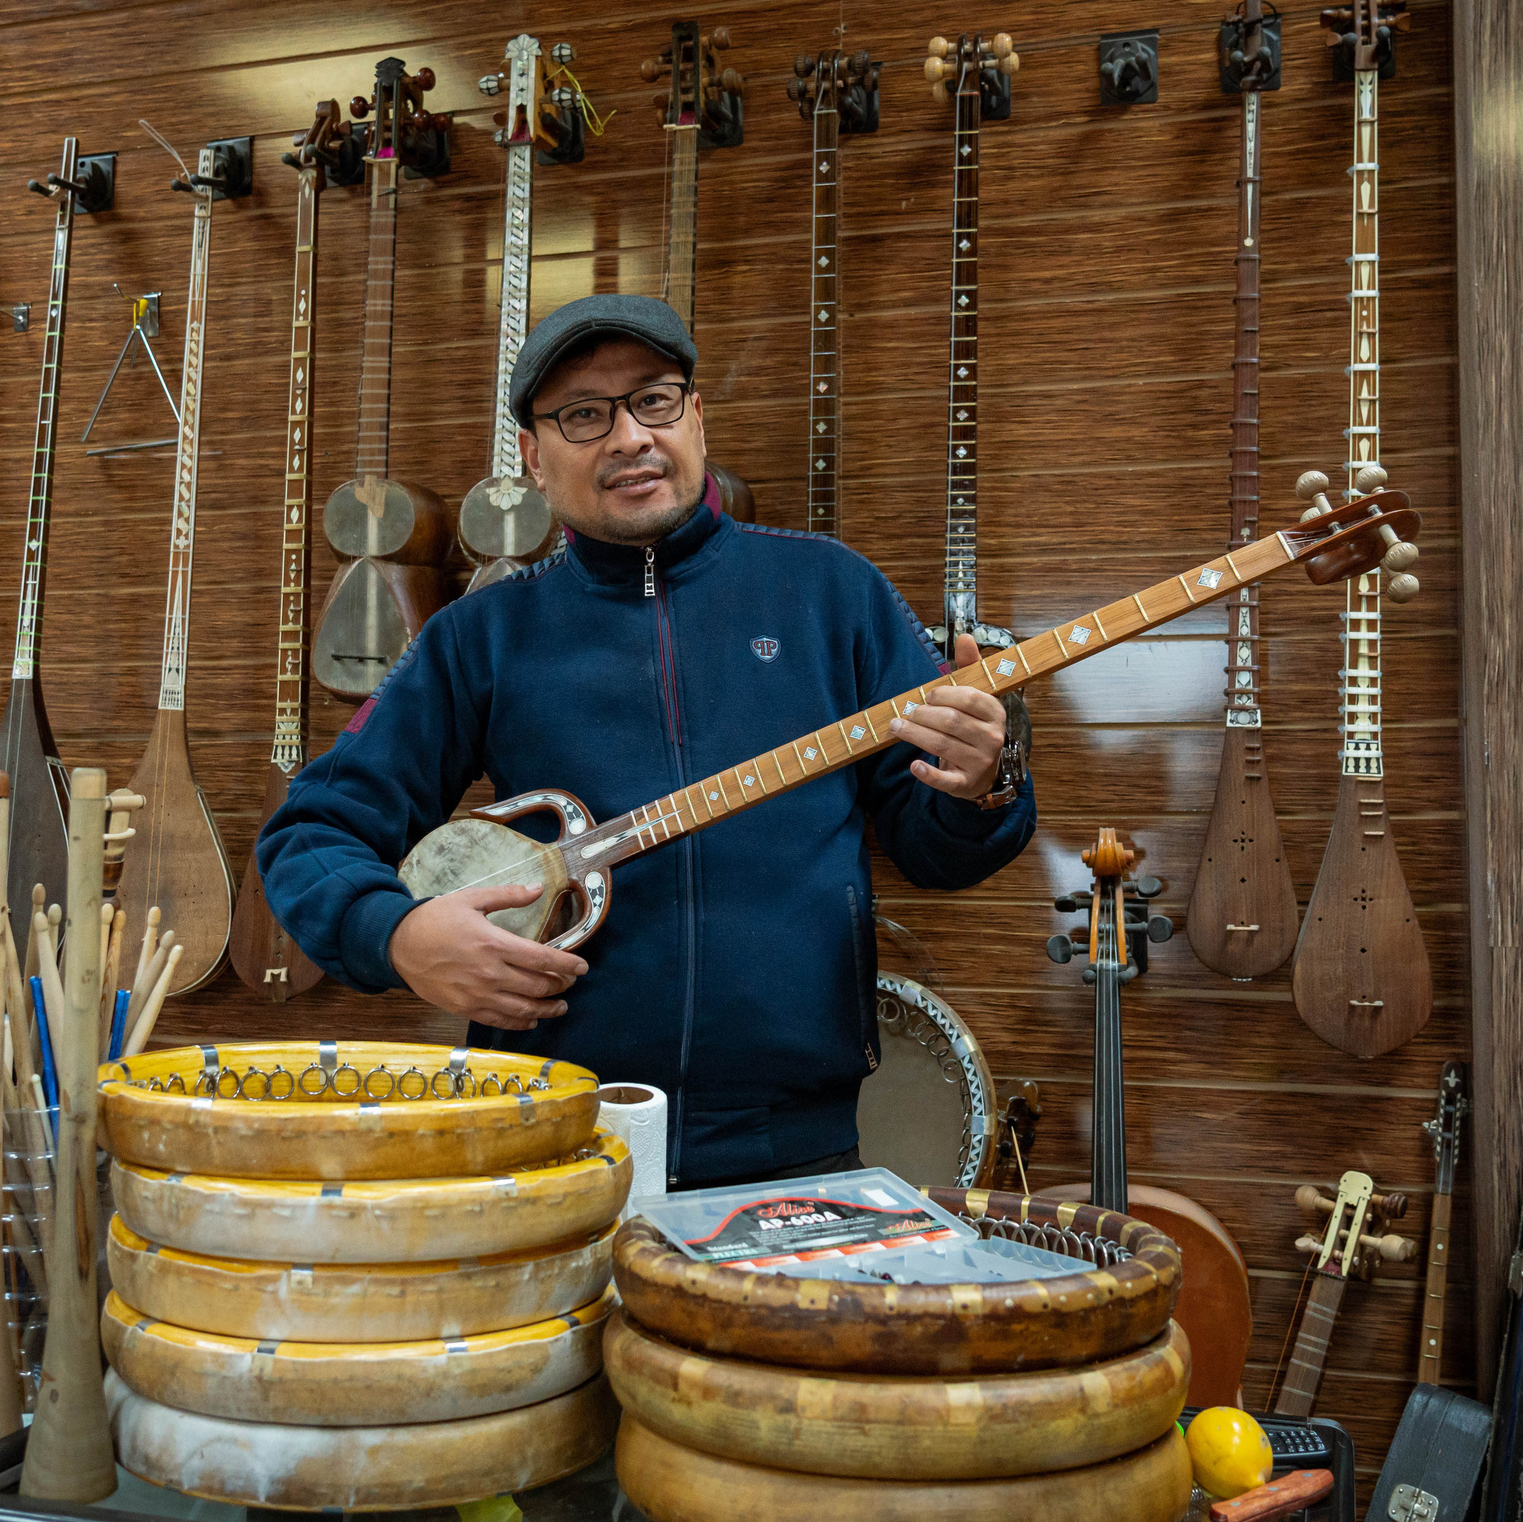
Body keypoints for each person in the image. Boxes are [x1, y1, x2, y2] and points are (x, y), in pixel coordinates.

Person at [256, 294, 1034, 1188]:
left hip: (798, 1153)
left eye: (653, 400)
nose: (628, 436)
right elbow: (310, 830)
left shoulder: (832, 594)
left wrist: (982, 784)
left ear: (695, 419)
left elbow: (937, 848)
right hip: (552, 1137)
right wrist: (394, 935)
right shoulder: (481, 637)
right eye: (583, 414)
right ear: (532, 460)